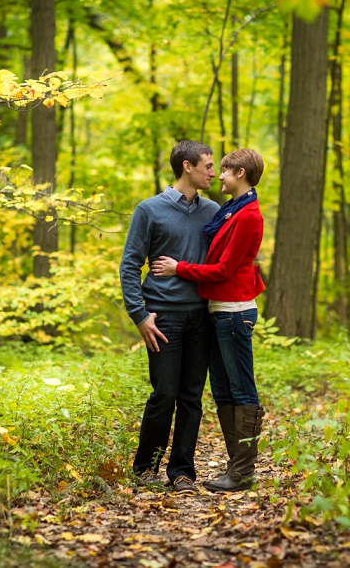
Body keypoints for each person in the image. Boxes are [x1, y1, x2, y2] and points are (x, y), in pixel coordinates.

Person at [151, 148, 266, 492]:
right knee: (222, 391)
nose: (219, 176)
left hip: (234, 311)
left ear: (241, 173)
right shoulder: (231, 211)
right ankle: (236, 467)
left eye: (225, 171)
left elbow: (223, 269)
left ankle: (243, 470)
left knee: (240, 389)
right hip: (218, 310)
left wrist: (178, 268)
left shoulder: (247, 216)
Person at [119, 140, 219, 494]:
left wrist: (183, 270)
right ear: (188, 167)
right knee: (164, 393)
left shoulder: (213, 211)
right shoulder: (149, 210)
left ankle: (182, 473)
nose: (213, 172)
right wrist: (139, 315)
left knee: (192, 397)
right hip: (162, 319)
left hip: (201, 317)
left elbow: (217, 265)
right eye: (208, 165)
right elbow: (130, 264)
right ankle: (145, 468)